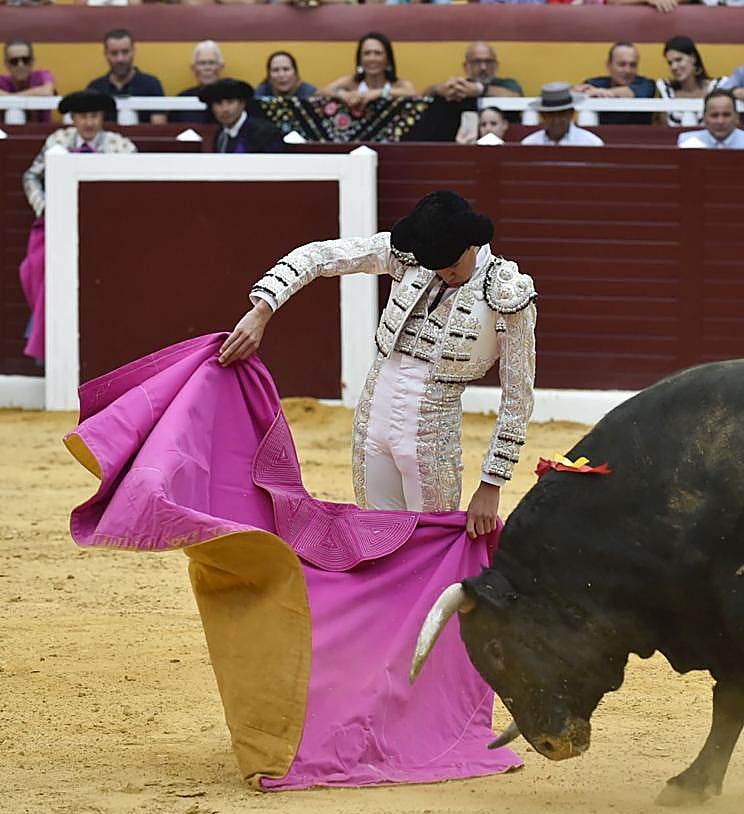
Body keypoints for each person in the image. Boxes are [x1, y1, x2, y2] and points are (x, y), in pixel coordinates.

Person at [219, 191, 537, 539]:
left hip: (434, 432)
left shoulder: (508, 293)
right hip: (373, 416)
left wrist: (492, 483)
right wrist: (262, 309)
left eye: (452, 265)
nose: (445, 275)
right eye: (437, 267)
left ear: (473, 243)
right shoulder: (409, 257)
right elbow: (320, 256)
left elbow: (517, 397)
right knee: (376, 541)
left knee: (429, 545)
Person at [19, 91, 137, 363]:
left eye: (94, 116)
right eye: (82, 116)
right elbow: (31, 177)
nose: (88, 123)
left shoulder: (121, 146)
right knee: (33, 269)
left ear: (103, 118)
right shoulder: (58, 141)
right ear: (72, 119)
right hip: (57, 227)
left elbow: (134, 186)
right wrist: (46, 207)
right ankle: (47, 339)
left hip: (103, 232)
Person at [86, 28, 166, 124]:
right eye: (114, 53)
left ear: (133, 51)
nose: (120, 59)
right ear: (106, 54)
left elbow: (158, 129)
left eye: (125, 52)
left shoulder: (151, 85)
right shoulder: (95, 88)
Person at [320, 32, 416, 111]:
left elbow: (412, 93)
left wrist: (380, 93)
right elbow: (321, 92)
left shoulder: (398, 84)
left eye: (378, 53)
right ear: (360, 59)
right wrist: (345, 95)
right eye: (367, 53)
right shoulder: (351, 82)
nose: (372, 58)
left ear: (388, 59)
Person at [573, 42, 656, 126]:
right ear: (609, 65)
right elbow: (577, 94)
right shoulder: (594, 83)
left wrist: (600, 92)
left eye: (633, 65)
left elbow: (632, 92)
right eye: (621, 64)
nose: (627, 70)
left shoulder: (647, 85)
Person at [201, 78, 286, 153]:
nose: (225, 109)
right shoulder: (220, 135)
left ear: (242, 104)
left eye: (230, 102)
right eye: (218, 103)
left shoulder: (266, 133)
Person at [656, 36, 723, 128]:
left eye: (679, 60)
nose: (674, 67)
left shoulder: (717, 87)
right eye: (670, 63)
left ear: (693, 58)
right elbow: (663, 130)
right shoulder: (667, 91)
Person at [427, 41, 523, 102]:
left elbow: (517, 98)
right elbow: (423, 98)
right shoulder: (460, 88)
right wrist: (438, 89)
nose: (483, 67)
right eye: (477, 62)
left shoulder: (508, 84)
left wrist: (480, 89)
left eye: (488, 62)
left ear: (496, 66)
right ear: (466, 67)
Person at [676, 88, 744, 149]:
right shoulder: (687, 142)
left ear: (736, 117)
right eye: (714, 115)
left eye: (726, 115)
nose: (720, 121)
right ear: (704, 118)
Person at [521, 82, 605, 147]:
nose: (556, 120)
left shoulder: (591, 143)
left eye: (562, 114)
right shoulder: (529, 143)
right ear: (542, 115)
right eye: (551, 114)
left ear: (571, 113)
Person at [0, 40, 56, 123]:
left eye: (26, 60)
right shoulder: (2, 80)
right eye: (14, 61)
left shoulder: (42, 75)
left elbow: (47, 91)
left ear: (33, 61)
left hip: (42, 132)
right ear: (6, 64)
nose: (20, 65)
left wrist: (11, 96)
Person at [170, 40, 224, 124]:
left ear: (221, 68)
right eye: (202, 63)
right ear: (193, 68)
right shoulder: (182, 99)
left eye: (211, 63)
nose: (207, 68)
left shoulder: (232, 99)